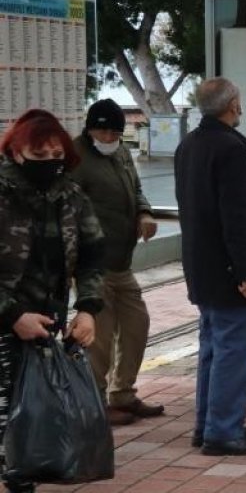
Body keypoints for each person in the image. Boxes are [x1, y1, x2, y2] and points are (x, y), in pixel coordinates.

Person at [0, 110, 106, 493]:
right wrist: (12, 314)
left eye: (55, 156)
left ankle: (21, 477)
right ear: (14, 153)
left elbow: (94, 255)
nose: (48, 164)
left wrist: (88, 309)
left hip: (45, 324)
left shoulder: (70, 196)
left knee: (30, 418)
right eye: (38, 156)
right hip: (6, 321)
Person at [175, 77, 246, 456]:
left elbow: (204, 203)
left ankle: (208, 424)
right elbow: (235, 219)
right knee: (234, 353)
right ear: (233, 104)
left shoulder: (189, 146)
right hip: (230, 272)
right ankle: (223, 431)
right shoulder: (231, 150)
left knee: (212, 350)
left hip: (202, 267)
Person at [69, 99, 163, 427]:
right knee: (100, 335)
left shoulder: (121, 152)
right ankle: (94, 401)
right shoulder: (75, 158)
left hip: (122, 262)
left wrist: (145, 212)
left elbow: (136, 189)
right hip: (93, 264)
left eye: (115, 132)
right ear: (90, 127)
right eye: (103, 130)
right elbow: (67, 209)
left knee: (137, 324)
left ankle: (122, 392)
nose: (109, 138)